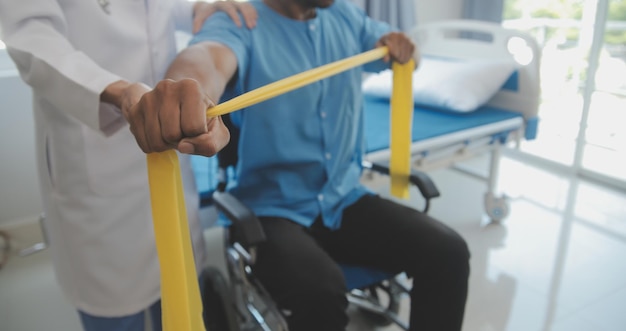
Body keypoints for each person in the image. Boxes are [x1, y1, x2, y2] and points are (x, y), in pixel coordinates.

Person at [128, 0, 471, 330]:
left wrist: (406, 47)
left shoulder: (347, 17)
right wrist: (181, 92)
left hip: (343, 199)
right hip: (273, 210)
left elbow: (406, 51)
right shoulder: (243, 22)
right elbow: (208, 59)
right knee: (320, 293)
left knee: (448, 252)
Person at [0, 1, 256, 330]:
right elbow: (29, 35)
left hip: (168, 144)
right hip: (95, 153)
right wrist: (120, 92)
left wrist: (199, 7)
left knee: (184, 290)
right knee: (117, 308)